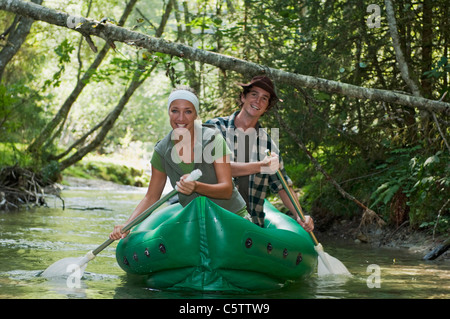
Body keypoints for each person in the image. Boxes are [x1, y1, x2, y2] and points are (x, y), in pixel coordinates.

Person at [110, 86, 247, 240]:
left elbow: (227, 189)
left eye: (188, 111)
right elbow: (151, 197)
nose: (180, 118)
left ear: (195, 114)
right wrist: (128, 225)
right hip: (197, 224)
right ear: (169, 112)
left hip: (232, 218)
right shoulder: (161, 151)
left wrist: (197, 186)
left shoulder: (213, 139)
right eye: (175, 111)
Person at [205, 75, 314, 231]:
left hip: (250, 226)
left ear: (267, 107)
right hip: (213, 216)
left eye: (264, 98)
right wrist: (260, 166)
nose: (258, 101)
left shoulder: (269, 146)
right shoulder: (215, 128)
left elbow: (282, 186)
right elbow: (214, 168)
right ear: (243, 97)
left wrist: (300, 215)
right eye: (254, 94)